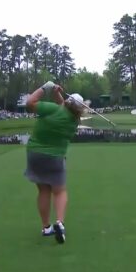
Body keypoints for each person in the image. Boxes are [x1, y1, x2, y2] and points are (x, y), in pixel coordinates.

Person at [24, 81, 87, 244]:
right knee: (59, 191)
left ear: (67, 101)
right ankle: (60, 222)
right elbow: (64, 108)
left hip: (35, 153)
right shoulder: (74, 121)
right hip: (55, 157)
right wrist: (57, 93)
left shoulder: (52, 110)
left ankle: (46, 227)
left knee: (43, 190)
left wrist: (46, 88)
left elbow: (29, 103)